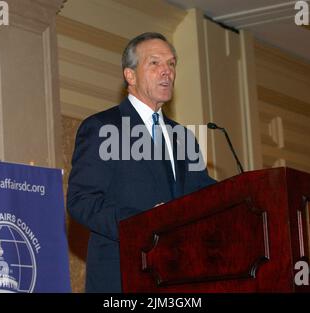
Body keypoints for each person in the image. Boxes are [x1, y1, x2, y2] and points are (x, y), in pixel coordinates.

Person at [67, 32, 216, 293]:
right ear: (130, 75)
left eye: (171, 64)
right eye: (155, 63)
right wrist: (143, 223)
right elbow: (82, 201)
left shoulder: (184, 137)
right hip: (124, 277)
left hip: (180, 277)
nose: (166, 71)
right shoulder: (103, 128)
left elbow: (205, 196)